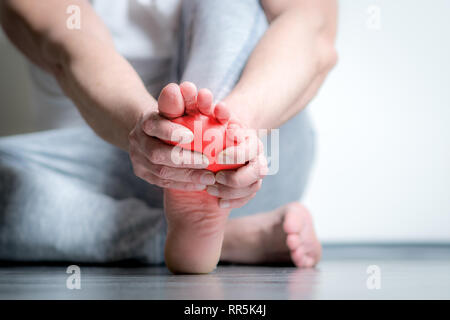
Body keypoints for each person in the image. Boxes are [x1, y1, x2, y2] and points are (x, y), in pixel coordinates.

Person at [0, 0, 337, 273]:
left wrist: (236, 126)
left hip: (251, 163)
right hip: (93, 184)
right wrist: (144, 127)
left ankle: (211, 151)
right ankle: (226, 238)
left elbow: (312, 32)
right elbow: (71, 48)